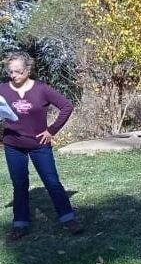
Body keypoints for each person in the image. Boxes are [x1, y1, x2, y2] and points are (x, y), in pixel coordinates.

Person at [0, 52, 83, 240]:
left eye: (18, 72)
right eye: (10, 72)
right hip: (13, 145)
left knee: (52, 182)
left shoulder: (41, 89)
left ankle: (68, 218)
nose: (14, 76)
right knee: (19, 184)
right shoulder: (2, 90)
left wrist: (52, 130)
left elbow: (67, 106)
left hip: (39, 144)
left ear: (28, 70)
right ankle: (20, 223)